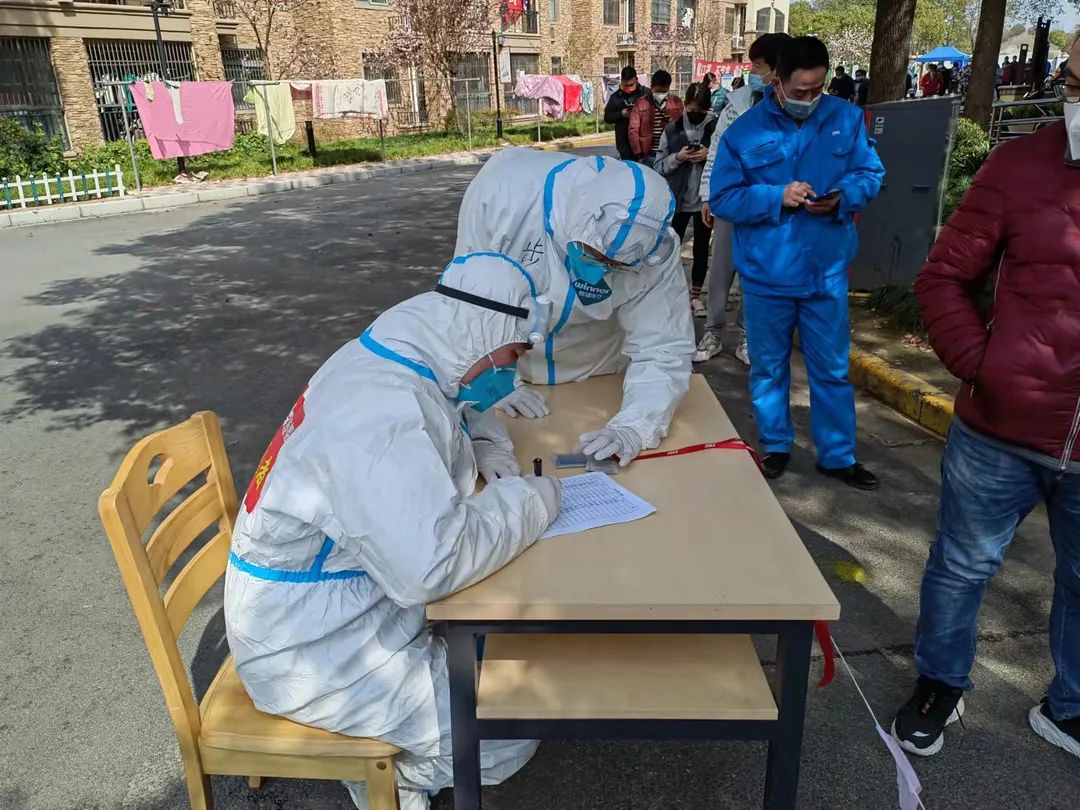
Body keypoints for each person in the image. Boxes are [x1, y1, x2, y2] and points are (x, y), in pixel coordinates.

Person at [225, 253, 563, 810]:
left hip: (334, 614)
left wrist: (485, 445)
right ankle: (387, 779)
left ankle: (396, 754)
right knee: (509, 728)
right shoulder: (378, 414)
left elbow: (454, 405)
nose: (511, 372)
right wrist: (531, 501)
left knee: (498, 665)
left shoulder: (399, 353)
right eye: (512, 355)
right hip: (314, 654)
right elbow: (429, 567)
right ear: (482, 336)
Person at [890, 46, 1080, 762]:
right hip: (1001, 428)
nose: (1076, 103)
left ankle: (1070, 705)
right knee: (962, 567)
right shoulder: (1021, 165)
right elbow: (942, 276)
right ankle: (939, 683)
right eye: (1073, 84)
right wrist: (982, 366)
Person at [709, 35, 885, 488]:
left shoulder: (846, 118)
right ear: (778, 83)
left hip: (825, 273)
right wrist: (776, 196)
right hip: (767, 276)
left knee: (832, 370)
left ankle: (838, 456)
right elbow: (723, 197)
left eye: (817, 89)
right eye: (800, 90)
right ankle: (776, 445)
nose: (810, 98)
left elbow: (870, 173)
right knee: (769, 368)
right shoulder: (744, 132)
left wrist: (844, 196)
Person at [456, 147, 694, 467]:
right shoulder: (503, 191)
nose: (602, 271)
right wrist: (493, 383)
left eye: (617, 266)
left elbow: (664, 345)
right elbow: (469, 305)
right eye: (593, 256)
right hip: (511, 369)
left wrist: (636, 425)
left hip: (598, 376)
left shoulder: (654, 248)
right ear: (577, 218)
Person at [695, 31, 791, 364]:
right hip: (730, 200)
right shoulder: (736, 103)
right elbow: (716, 150)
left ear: (777, 69)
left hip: (766, 203)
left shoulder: (793, 108)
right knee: (721, 269)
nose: (752, 71)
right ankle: (712, 332)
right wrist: (707, 194)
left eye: (758, 66)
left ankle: (748, 337)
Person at [653, 82, 717, 317]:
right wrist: (678, 157)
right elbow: (658, 166)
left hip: (704, 201)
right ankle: (667, 292)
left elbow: (731, 163)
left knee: (701, 249)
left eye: (700, 111)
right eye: (691, 110)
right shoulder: (672, 130)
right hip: (677, 200)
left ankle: (696, 296)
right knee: (670, 249)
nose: (695, 115)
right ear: (685, 105)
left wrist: (710, 155)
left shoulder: (717, 129)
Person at [630, 69, 685, 162]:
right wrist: (638, 153)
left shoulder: (676, 102)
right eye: (658, 91)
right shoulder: (641, 104)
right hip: (648, 154)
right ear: (651, 87)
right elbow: (633, 130)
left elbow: (683, 127)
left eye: (664, 92)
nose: (661, 95)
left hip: (670, 154)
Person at [604, 65, 651, 160]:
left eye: (631, 85)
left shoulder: (647, 94)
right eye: (625, 85)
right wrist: (621, 114)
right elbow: (607, 117)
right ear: (621, 81)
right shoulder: (616, 97)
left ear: (636, 80)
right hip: (624, 143)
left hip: (645, 141)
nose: (628, 88)